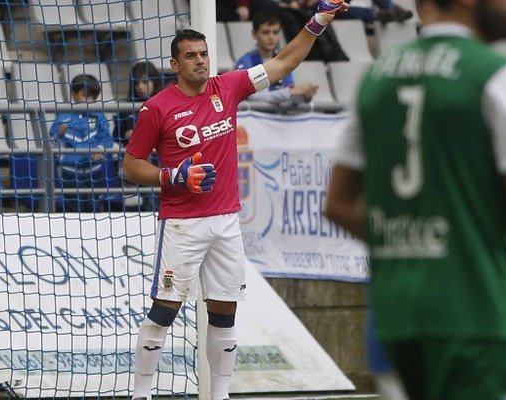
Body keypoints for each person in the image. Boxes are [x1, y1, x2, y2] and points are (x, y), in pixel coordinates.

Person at [323, 0, 506, 398]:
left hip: (394, 317)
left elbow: (337, 204)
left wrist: (405, 235)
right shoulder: (493, 72)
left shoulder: (376, 76)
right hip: (470, 313)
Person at [121, 1, 349, 398]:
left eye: (204, 54)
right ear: (175, 65)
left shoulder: (228, 86)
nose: (200, 61)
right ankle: (142, 393)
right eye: (190, 56)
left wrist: (317, 22)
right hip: (182, 223)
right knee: (164, 310)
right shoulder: (157, 108)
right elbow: (130, 164)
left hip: (227, 221)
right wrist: (170, 176)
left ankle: (220, 393)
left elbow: (283, 63)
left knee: (225, 312)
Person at [51, 74, 121, 212]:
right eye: (85, 95)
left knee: (94, 206)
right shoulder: (63, 116)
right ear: (73, 94)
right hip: (69, 170)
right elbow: (51, 143)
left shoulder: (98, 115)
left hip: (93, 169)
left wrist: (99, 149)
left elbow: (107, 138)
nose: (89, 100)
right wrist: (59, 134)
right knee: (73, 208)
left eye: (93, 97)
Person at [236, 10, 320, 106]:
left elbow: (289, 96)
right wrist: (291, 92)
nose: (271, 37)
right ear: (254, 34)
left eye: (275, 32)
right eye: (266, 32)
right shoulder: (246, 61)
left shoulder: (283, 59)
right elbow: (252, 97)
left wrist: (305, 95)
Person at [115, 61, 165, 146]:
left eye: (145, 82)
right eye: (136, 83)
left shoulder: (165, 103)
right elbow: (116, 135)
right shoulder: (127, 107)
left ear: (155, 82)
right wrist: (125, 134)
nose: (140, 87)